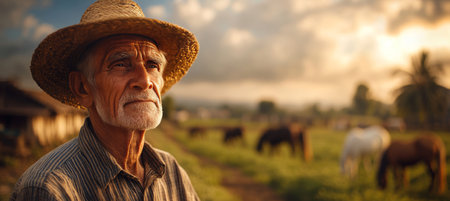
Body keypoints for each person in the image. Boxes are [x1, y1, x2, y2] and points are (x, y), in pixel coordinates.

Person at [10, 0, 200, 200]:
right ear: (83, 87)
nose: (145, 81)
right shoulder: (48, 189)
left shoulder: (172, 173)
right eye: (120, 64)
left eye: (152, 65)